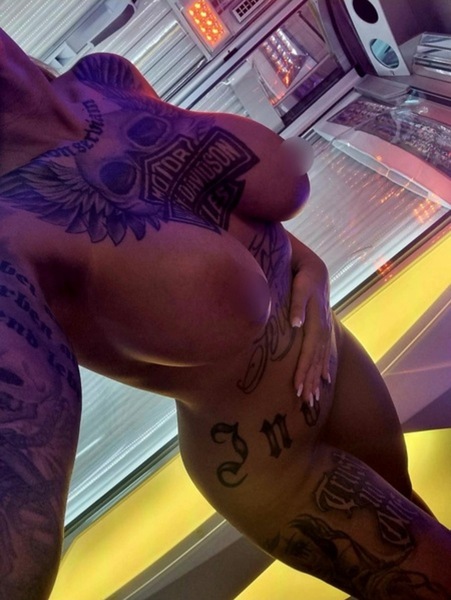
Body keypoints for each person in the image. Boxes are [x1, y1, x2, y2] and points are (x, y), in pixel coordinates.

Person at [0, 28, 450, 600]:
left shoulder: (104, 77)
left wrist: (312, 270)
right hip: (273, 461)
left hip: (333, 357)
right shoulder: (10, 240)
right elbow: (19, 509)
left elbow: (209, 205)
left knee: (417, 511)